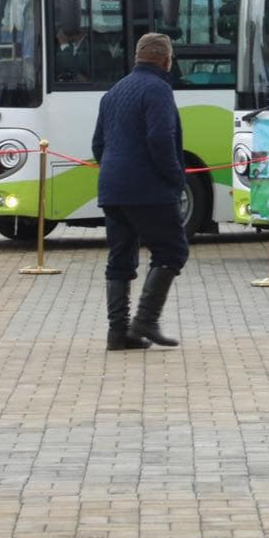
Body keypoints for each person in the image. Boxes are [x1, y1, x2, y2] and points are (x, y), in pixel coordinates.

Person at [91, 33, 188, 351]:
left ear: (137, 57)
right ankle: (145, 320)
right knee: (172, 251)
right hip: (147, 188)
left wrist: (112, 172)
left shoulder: (114, 92)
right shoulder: (158, 89)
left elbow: (98, 145)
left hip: (112, 187)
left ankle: (118, 333)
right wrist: (175, 178)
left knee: (120, 257)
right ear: (166, 60)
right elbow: (160, 138)